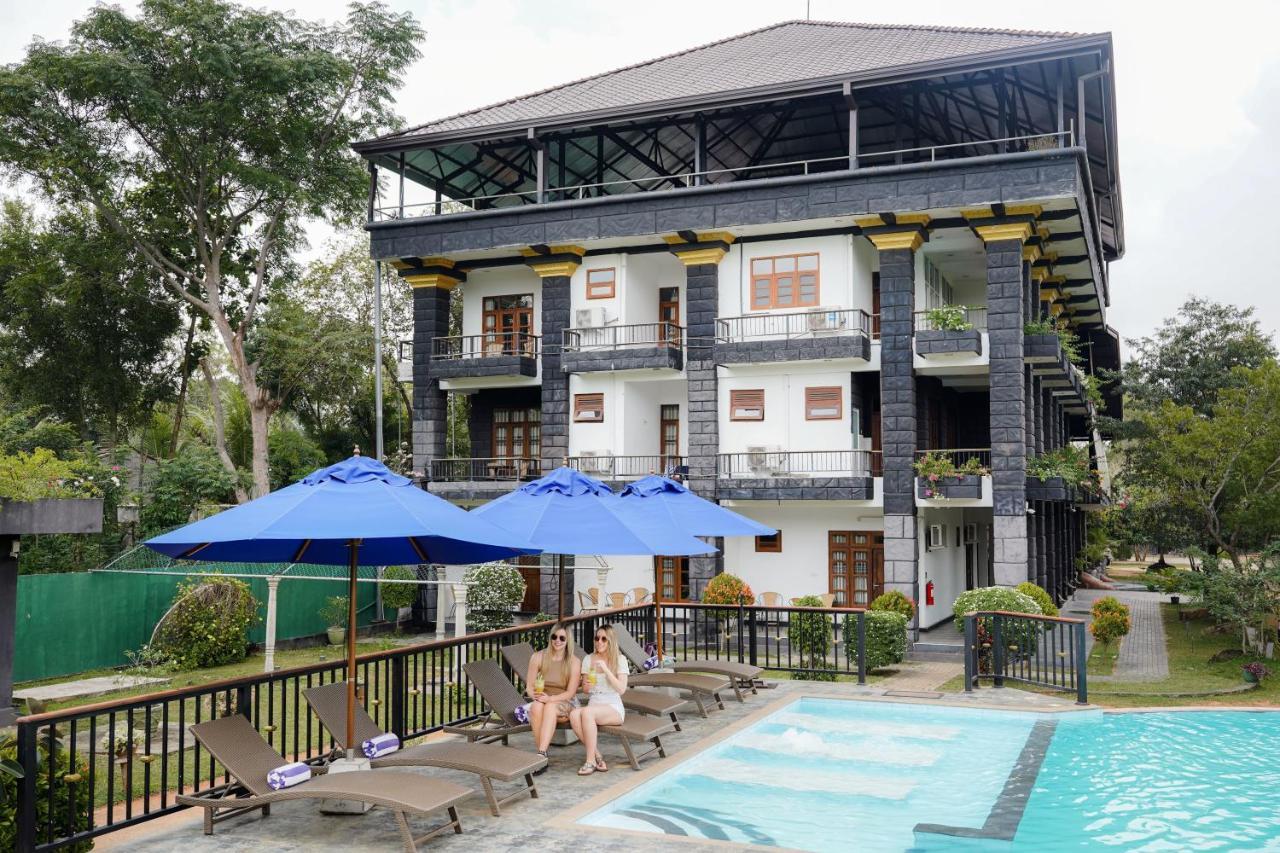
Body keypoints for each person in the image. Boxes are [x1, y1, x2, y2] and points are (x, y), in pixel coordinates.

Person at [569, 623, 628, 775]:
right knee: (574, 714)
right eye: (597, 638)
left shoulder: (620, 659)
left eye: (604, 639)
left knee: (587, 713)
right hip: (594, 703)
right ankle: (597, 756)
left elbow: (621, 689)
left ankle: (590, 762)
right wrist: (586, 685)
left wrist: (606, 670)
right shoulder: (588, 659)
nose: (599, 642)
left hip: (612, 706)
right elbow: (587, 691)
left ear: (611, 641)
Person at [525, 622, 581, 772]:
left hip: (566, 702)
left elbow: (570, 692)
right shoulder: (538, 657)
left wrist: (549, 700)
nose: (557, 641)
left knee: (548, 706)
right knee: (536, 707)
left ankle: (541, 754)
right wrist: (536, 696)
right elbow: (529, 687)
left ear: (568, 641)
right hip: (543, 699)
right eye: (554, 637)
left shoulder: (574, 662)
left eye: (562, 638)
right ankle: (542, 755)